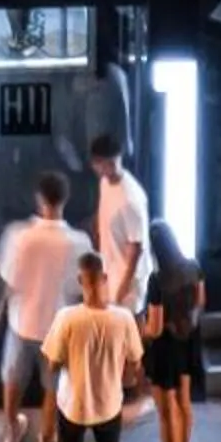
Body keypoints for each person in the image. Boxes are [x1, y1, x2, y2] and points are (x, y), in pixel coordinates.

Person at [41, 251, 147, 442]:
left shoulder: (66, 318)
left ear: (80, 280)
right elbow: (135, 364)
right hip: (109, 405)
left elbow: (51, 364)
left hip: (73, 406)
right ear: (105, 278)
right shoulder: (123, 318)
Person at [0, 172, 90, 442]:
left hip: (21, 321)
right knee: (53, 386)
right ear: (65, 199)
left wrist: (0, 310)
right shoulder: (78, 242)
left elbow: (8, 280)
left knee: (13, 378)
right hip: (56, 325)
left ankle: (12, 429)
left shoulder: (19, 235)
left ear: (39, 198)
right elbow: (80, 287)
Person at [139, 219, 206, 442]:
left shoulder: (157, 281)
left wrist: (140, 332)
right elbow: (201, 302)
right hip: (188, 341)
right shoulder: (193, 266)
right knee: (184, 404)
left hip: (165, 348)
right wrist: (185, 323)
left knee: (167, 411)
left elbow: (154, 327)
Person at [88, 130, 150, 314]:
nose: (108, 168)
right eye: (104, 163)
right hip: (110, 271)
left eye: (112, 162)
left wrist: (121, 292)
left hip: (128, 284)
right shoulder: (105, 183)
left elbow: (135, 249)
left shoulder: (130, 199)